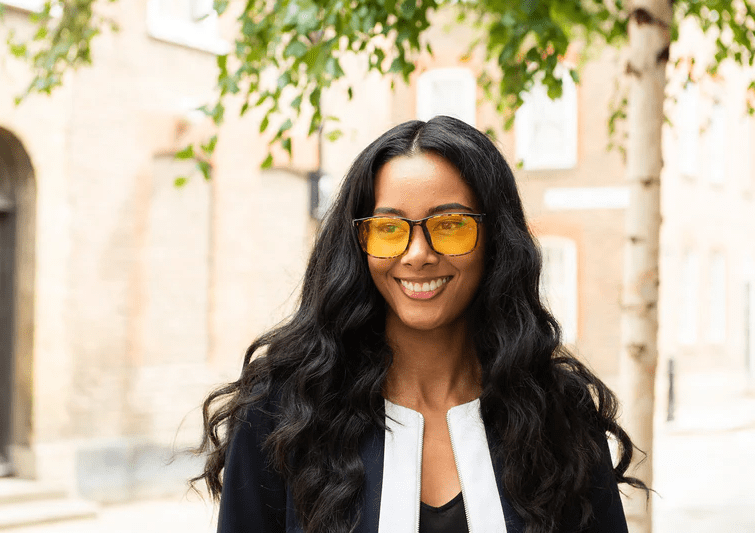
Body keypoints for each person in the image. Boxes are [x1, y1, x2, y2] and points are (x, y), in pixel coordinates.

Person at [194, 116, 647, 533]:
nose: (417, 253)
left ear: (495, 239)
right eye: (389, 229)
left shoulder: (557, 412)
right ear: (361, 242)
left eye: (450, 225)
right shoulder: (283, 412)